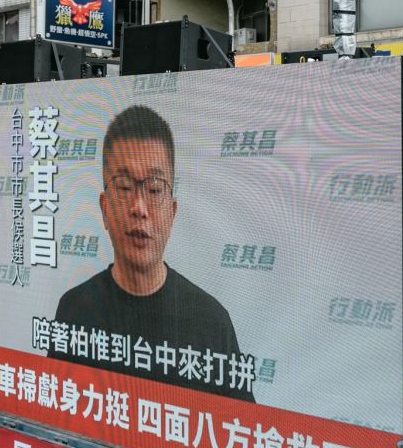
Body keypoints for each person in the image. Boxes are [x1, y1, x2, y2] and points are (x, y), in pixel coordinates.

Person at [51, 104, 253, 402]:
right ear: (104, 209)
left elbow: (241, 431)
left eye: (155, 189)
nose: (139, 209)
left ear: (172, 212)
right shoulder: (74, 309)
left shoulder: (211, 321)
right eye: (124, 187)